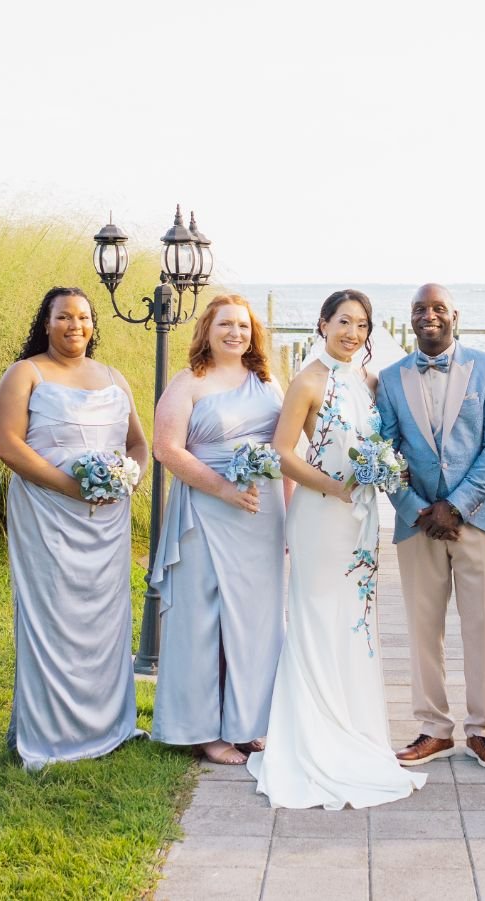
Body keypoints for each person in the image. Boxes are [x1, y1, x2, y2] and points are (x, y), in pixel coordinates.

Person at [251, 290, 426, 809]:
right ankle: (313, 733)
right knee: (315, 614)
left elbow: (383, 444)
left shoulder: (369, 382)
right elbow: (282, 453)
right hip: (320, 515)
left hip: (360, 519)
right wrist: (335, 487)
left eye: (362, 324)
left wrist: (384, 472)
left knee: (355, 621)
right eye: (344, 321)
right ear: (323, 324)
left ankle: (354, 725)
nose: (353, 332)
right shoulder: (308, 380)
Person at [0, 287, 149, 769]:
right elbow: (7, 445)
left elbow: (138, 445)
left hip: (107, 520)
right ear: (46, 323)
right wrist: (71, 487)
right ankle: (50, 733)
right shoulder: (26, 373)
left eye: (83, 317)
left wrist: (127, 479)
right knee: (53, 615)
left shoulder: (114, 377)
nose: (74, 325)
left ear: (93, 324)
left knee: (104, 618)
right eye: (63, 317)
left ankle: (108, 725)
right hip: (47, 513)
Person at [374, 283, 485, 772]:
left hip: (478, 518)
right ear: (410, 317)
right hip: (417, 524)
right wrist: (416, 508)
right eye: (420, 308)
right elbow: (383, 452)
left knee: (484, 626)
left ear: (455, 315)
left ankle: (483, 730)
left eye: (438, 308)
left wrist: (455, 506)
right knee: (422, 627)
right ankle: (432, 728)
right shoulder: (390, 379)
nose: (429, 315)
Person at [148, 295, 287, 764]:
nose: (235, 333)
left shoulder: (267, 383)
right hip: (206, 510)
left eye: (243, 326)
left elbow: (285, 451)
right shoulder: (188, 382)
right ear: (207, 329)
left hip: (261, 515)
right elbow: (166, 449)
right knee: (201, 618)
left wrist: (289, 517)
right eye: (225, 324)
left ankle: (248, 724)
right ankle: (203, 731)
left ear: (253, 333)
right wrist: (224, 489)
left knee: (257, 620)